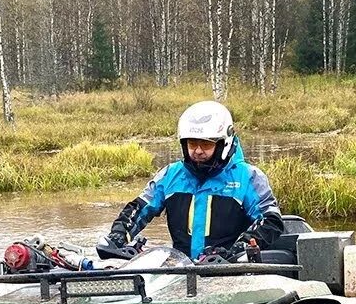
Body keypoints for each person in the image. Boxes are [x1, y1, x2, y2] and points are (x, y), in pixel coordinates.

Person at [106, 101, 283, 262]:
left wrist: (239, 248)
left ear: (224, 143)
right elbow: (140, 208)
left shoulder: (248, 177)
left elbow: (270, 220)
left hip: (231, 268)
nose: (197, 151)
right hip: (180, 270)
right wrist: (120, 232)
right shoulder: (170, 175)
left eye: (205, 144)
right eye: (192, 144)